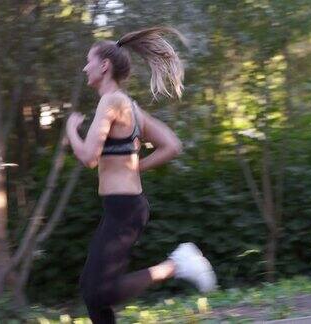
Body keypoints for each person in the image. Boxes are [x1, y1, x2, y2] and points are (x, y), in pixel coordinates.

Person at [66, 26, 216, 324]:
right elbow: (172, 145)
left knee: (99, 292)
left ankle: (175, 265)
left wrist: (71, 129)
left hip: (124, 208)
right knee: (91, 289)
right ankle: (176, 264)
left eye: (89, 61)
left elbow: (89, 158)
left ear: (104, 66)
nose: (85, 67)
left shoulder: (110, 102)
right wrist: (136, 166)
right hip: (125, 206)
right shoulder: (130, 107)